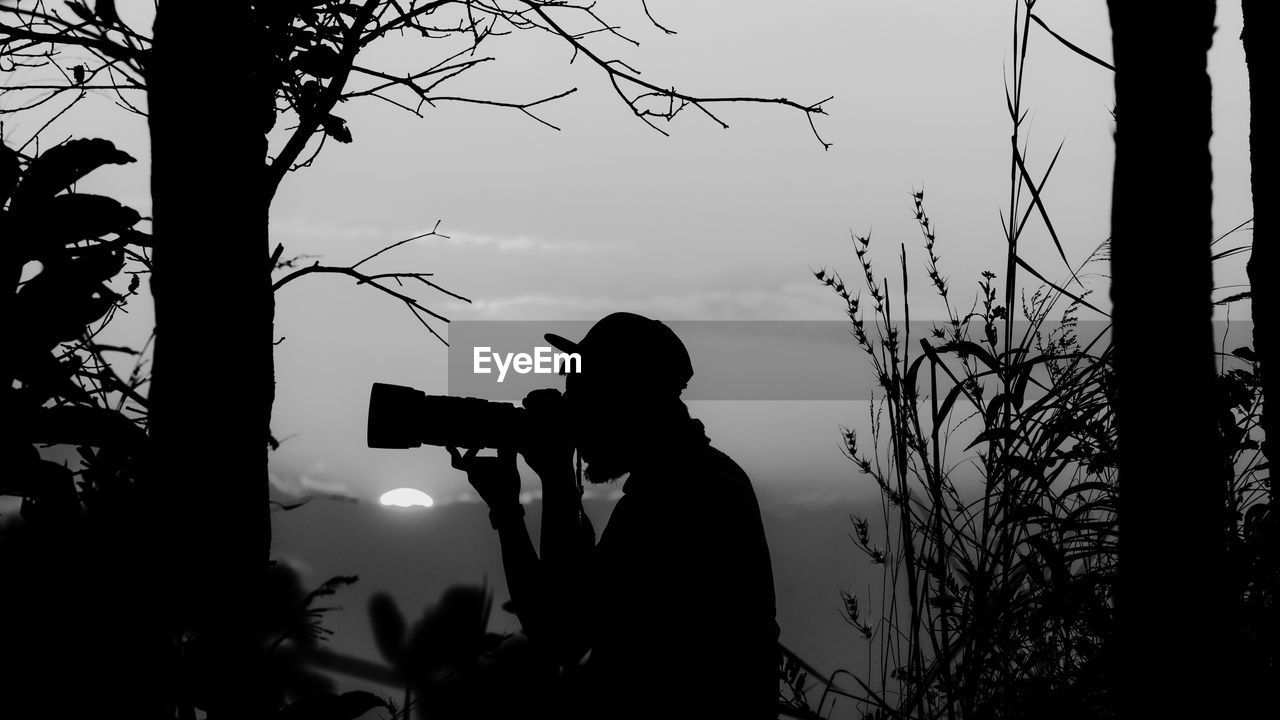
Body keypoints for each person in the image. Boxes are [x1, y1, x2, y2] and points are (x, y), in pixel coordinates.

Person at [448, 312, 780, 720]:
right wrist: (552, 483)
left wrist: (513, 507)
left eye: (582, 396)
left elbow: (560, 635)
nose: (573, 414)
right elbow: (570, 594)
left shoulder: (674, 497)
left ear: (624, 400)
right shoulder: (701, 478)